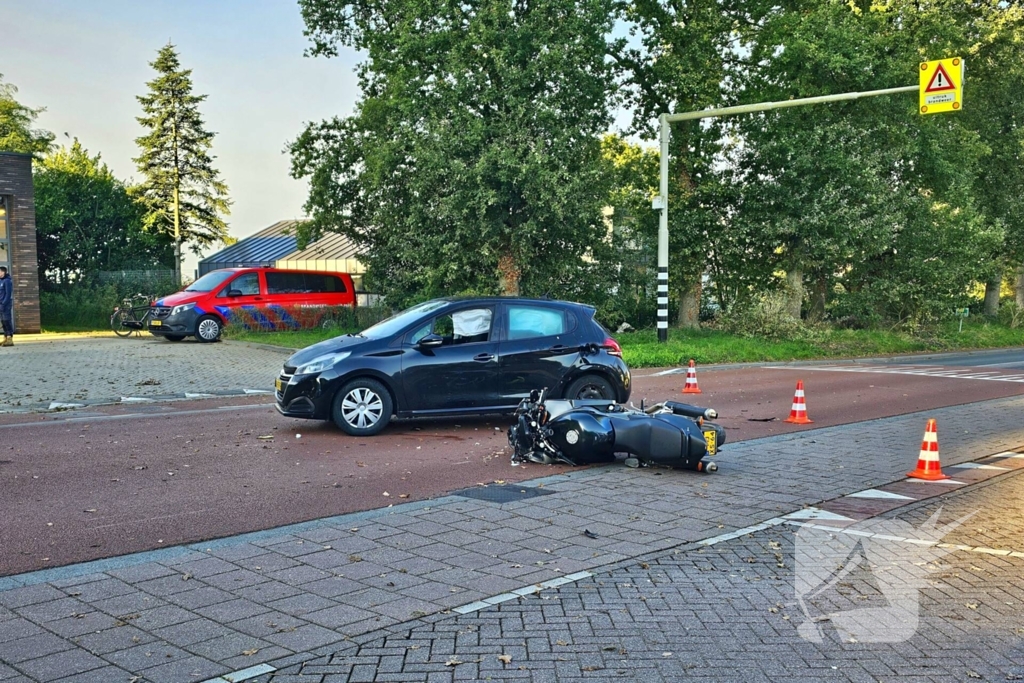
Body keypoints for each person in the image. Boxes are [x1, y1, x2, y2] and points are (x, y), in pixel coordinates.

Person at [0, 266, 13, 346]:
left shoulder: (7, 281)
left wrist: (4, 304)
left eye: (0, 272)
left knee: (7, 320)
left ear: (3, 272)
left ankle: (9, 338)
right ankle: (5, 338)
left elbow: (8, 294)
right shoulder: (0, 281)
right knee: (3, 321)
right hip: (1, 304)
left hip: (6, 305)